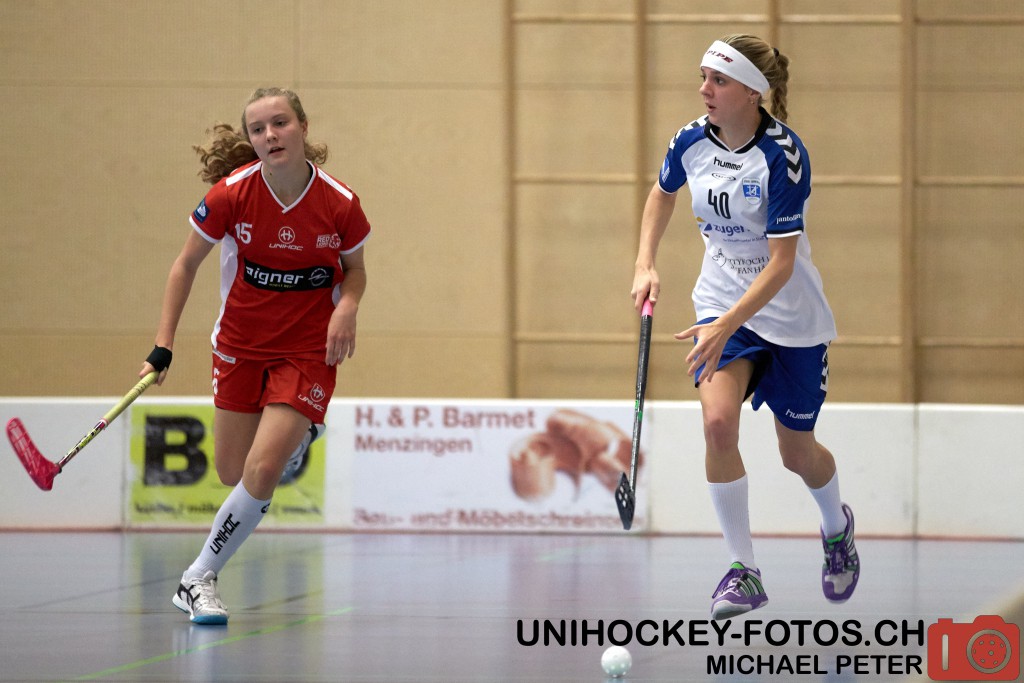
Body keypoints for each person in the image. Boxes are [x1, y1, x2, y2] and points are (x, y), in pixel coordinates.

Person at [630, 35, 859, 620]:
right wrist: (645, 263)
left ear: (753, 93)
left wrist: (727, 322)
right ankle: (743, 571)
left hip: (790, 318)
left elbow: (781, 264)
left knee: (797, 453)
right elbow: (661, 194)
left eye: (718, 80)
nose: (704, 89)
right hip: (721, 305)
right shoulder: (690, 140)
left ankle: (836, 528)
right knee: (717, 425)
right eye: (703, 77)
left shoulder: (783, 156)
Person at [140, 87, 371, 624]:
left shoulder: (340, 202)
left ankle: (198, 577)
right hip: (240, 345)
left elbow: (355, 270)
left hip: (309, 350)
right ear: (251, 139)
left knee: (263, 469)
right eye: (259, 129)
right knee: (232, 472)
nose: (271, 135)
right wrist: (163, 343)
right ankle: (296, 437)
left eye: (281, 123)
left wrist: (348, 306)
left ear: (303, 127)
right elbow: (184, 265)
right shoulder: (231, 195)